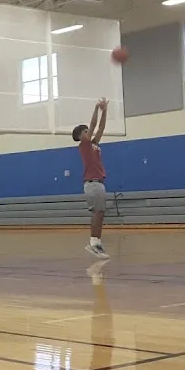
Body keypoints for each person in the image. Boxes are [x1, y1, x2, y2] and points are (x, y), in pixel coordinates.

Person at [72, 99, 109, 259]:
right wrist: (96, 108)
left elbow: (100, 128)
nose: (89, 132)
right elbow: (94, 125)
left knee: (100, 212)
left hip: (99, 182)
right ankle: (94, 243)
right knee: (98, 212)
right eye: (85, 131)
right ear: (80, 136)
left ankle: (96, 243)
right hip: (93, 183)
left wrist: (105, 111)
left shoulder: (94, 144)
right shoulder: (84, 145)